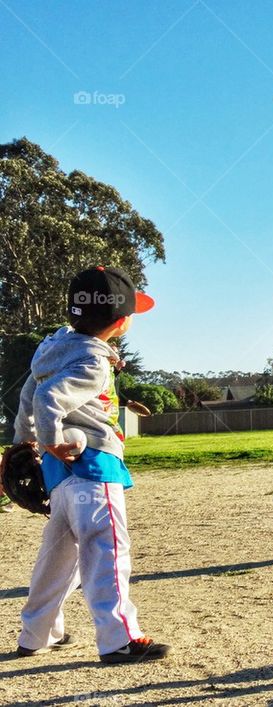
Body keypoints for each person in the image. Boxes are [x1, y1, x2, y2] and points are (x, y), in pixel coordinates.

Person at [12, 266, 170, 664]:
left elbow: (30, 397)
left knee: (58, 557)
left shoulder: (53, 350)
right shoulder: (93, 360)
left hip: (59, 473)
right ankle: (119, 639)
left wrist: (24, 444)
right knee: (107, 548)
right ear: (121, 321)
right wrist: (50, 439)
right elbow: (49, 398)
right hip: (92, 464)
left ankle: (37, 633)